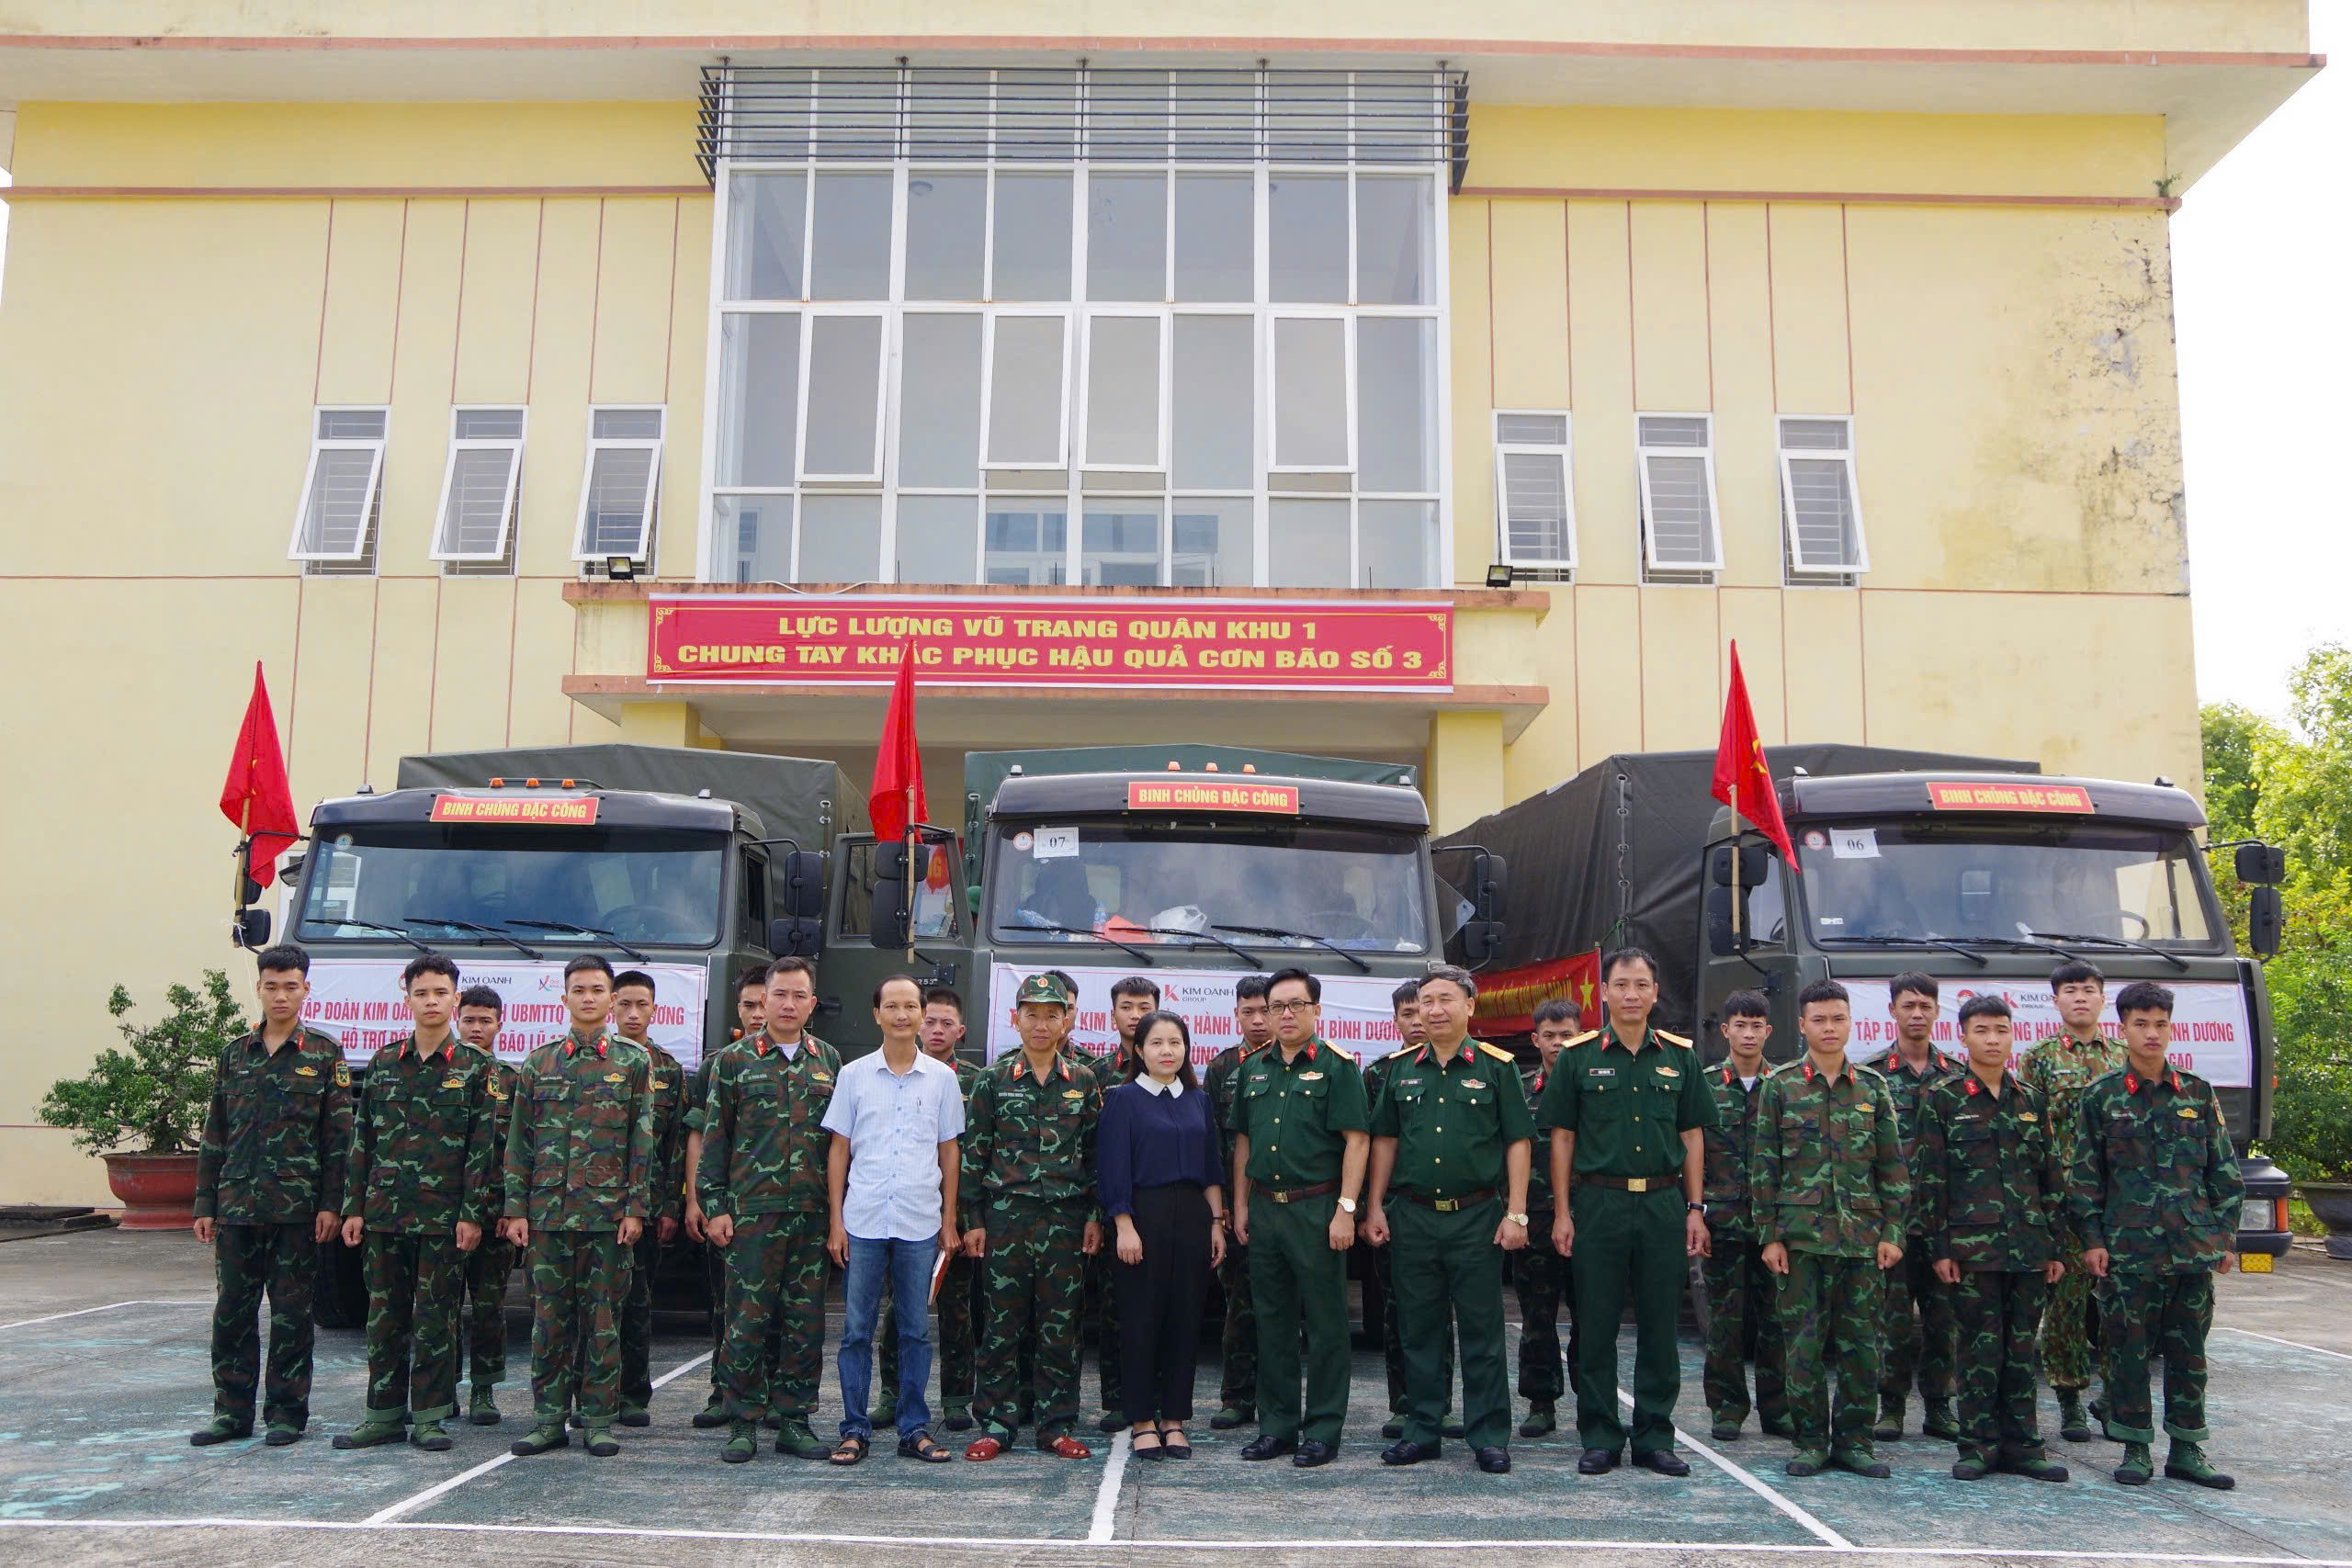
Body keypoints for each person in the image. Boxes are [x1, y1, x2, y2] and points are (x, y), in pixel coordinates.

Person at [1543, 946, 1714, 1475]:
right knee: (1594, 1325)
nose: (1631, 994)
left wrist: (1694, 1207)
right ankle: (1599, 1434)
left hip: (1664, 1204)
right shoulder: (1578, 1056)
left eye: (1641, 984)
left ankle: (1655, 1436)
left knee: (1661, 1326)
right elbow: (1563, 1138)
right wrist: (1563, 1212)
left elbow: (1691, 1135)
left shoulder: (1680, 1057)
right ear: (1605, 992)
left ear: (1655, 992)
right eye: (1621, 984)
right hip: (1598, 1203)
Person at [2069, 981, 2241, 1491]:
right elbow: (2084, 1177)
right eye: (2141, 1024)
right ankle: (2135, 1446)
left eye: (2160, 1024)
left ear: (2171, 1027)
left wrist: (2225, 1238)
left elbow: (2223, 1172)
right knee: (2127, 1351)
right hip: (2128, 1249)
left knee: (2189, 1353)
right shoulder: (2100, 1097)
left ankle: (2187, 1448)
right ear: (2121, 1030)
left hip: (2191, 1249)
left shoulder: (2197, 1092)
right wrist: (2092, 1240)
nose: (2152, 1033)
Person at [1363, 967, 1532, 1473]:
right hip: (1411, 1216)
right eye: (1426, 1001)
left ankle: (1488, 1435)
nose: (1434, 1010)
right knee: (1419, 1330)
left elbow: (1518, 1142)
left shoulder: (1498, 1068)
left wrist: (1516, 1212)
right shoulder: (1400, 1069)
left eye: (1445, 1000)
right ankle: (1422, 1430)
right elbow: (1385, 1142)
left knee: (1482, 1330)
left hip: (1477, 1217)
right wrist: (1374, 1206)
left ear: (1469, 1007)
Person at [334, 954, 498, 1453]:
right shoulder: (384, 1063)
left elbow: (482, 1150)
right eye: (422, 993)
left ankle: (429, 1415)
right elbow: (362, 1141)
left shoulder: (476, 1069)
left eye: (440, 993)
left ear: (455, 999)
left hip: (443, 1219)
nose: (431, 1002)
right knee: (383, 1318)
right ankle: (382, 1413)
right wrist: (354, 1208)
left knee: (434, 1319)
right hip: (384, 1215)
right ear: (406, 997)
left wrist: (472, 1214)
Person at [190, 944, 352, 1448]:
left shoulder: (325, 1056)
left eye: (291, 986)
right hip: (238, 1207)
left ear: (306, 989)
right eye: (271, 985)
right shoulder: (234, 1055)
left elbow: (337, 1140)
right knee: (232, 1312)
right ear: (259, 988)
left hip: (297, 1212)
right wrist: (205, 1204)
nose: (280, 995)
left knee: (290, 1315)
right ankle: (231, 1412)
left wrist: (331, 1204)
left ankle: (286, 1413)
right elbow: (216, 1133)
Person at [499, 955, 656, 1459]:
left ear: (611, 1000)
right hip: (546, 1216)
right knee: (549, 1320)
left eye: (596, 990)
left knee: (604, 1320)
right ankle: (548, 1418)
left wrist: (635, 1208)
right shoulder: (539, 1063)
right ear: (564, 998)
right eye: (578, 990)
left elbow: (641, 1140)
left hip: (607, 1219)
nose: (588, 998)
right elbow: (519, 1141)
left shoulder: (633, 1062)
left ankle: (598, 1419)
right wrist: (516, 1208)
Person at [1752, 979, 1908, 1479]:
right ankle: (1811, 1441)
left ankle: (1855, 1441)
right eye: (1818, 1019)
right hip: (1798, 1240)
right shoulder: (1780, 1085)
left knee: (1862, 1345)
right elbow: (1764, 1166)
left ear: (1850, 1023)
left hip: (1862, 1241)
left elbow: (1892, 1168)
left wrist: (1893, 1232)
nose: (1829, 1028)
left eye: (1838, 1018)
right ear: (1802, 1026)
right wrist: (1769, 1235)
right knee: (1803, 1345)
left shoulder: (1872, 1087)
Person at [1915, 993, 2069, 1483]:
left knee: (2022, 1352)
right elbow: (1931, 1180)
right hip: (1971, 1251)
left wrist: (2056, 1248)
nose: (1992, 1039)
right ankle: (1978, 1445)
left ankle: (2024, 1445)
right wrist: (1939, 1249)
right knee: (1980, 1351)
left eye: (2001, 1030)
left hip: (2028, 1250)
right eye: (1981, 1030)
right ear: (1963, 1037)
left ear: (2012, 1036)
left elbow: (2051, 1180)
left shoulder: (2031, 1101)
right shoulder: (1942, 1099)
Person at [698, 956, 842, 1463]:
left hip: (810, 1213)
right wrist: (713, 1207)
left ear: (812, 1003)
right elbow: (715, 1141)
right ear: (764, 1000)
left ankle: (795, 1419)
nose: (787, 1004)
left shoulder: (829, 1060)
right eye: (778, 995)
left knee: (806, 1321)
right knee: (746, 1321)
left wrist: (839, 1218)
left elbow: (840, 1146)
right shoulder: (733, 1062)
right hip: (751, 1213)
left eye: (799, 995)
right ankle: (743, 1420)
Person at [1228, 967, 1370, 1469]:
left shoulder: (1337, 1067)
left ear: (1315, 1010)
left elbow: (1357, 1139)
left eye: (1296, 1005)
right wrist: (1241, 1205)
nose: (1285, 1014)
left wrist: (1346, 1210)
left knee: (1328, 1324)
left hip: (1318, 1209)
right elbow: (1242, 1139)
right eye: (1276, 1006)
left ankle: (1324, 1429)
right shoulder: (1252, 1068)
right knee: (1273, 1322)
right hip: (1266, 1208)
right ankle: (1278, 1426)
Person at [823, 975, 966, 1465]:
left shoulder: (944, 1080)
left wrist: (949, 1219)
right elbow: (839, 1150)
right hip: (862, 1221)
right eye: (893, 1006)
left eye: (911, 1006)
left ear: (922, 1014)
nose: (903, 1015)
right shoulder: (853, 1075)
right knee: (856, 1331)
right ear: (877, 1014)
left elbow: (950, 1152)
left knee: (914, 1331)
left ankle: (913, 1428)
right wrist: (836, 1221)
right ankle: (854, 1428)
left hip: (919, 1223)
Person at [962, 973, 1105, 1461]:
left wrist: (1094, 1216)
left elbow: (1093, 1157)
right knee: (1002, 1325)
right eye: (1031, 1014)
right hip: (1006, 1219)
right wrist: (973, 1220)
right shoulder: (993, 1080)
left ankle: (1055, 1424)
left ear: (1066, 1021)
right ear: (1014, 1019)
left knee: (1060, 1328)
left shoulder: (1083, 1082)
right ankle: (996, 1423)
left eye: (1051, 1015)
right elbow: (974, 1156)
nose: (1041, 1024)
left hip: (1065, 1221)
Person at [1098, 1010, 1227, 1460]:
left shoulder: (1198, 1099)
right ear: (1139, 1050)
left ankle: (1174, 1419)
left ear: (1187, 1049)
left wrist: (1216, 1223)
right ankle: (1141, 1420)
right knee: (1140, 1320)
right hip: (1141, 1218)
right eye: (1156, 1043)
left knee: (1185, 1320)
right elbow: (1113, 1169)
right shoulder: (1124, 1099)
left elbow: (1212, 1167)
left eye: (1175, 1042)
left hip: (1192, 1219)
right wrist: (1124, 1225)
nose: (1166, 1051)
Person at [2018, 960, 2128, 1442]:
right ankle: (2070, 1402)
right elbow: (2028, 1133)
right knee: (2065, 1306)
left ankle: (2112, 1398)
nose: (2079, 997)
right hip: (2064, 1200)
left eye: (2088, 990)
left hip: (2119, 1202)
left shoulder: (2125, 1057)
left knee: (2123, 1305)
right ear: (2056, 1001)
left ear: (2103, 999)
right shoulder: (2038, 1059)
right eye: (2070, 990)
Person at [878, 987, 984, 1433]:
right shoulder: (888, 1071)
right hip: (904, 1214)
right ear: (918, 1022)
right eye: (930, 1021)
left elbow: (976, 1153)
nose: (936, 1030)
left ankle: (958, 1398)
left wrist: (966, 1218)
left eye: (946, 1023)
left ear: (961, 1030)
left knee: (957, 1310)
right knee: (901, 1310)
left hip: (955, 1218)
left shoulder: (979, 1079)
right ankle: (891, 1394)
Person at [1874, 973, 1963, 1443]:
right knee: (1890, 1319)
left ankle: (1939, 1407)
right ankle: (1890, 1407)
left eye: (1926, 1006)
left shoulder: (1958, 1078)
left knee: (1943, 1319)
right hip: (1892, 1223)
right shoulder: (1872, 1076)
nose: (1917, 1014)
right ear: (1892, 1011)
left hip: (1945, 1223)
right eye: (1908, 1005)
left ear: (1936, 1011)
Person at [686, 964, 774, 1429]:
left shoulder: (823, 1060)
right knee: (728, 1306)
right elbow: (701, 1138)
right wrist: (696, 1200)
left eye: (766, 1002)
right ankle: (724, 1393)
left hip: (786, 1211)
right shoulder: (720, 1064)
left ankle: (778, 1398)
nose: (759, 1013)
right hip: (731, 1208)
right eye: (749, 1005)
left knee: (782, 1312)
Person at [1369, 978, 1455, 1441]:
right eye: (1408, 1014)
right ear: (1397, 1020)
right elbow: (1367, 1145)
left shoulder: (1473, 1065)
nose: (1419, 1021)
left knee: (1443, 1310)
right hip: (1398, 1209)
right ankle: (1404, 1404)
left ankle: (1440, 1404)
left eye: (1423, 1011)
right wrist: (1371, 1208)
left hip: (1450, 1209)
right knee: (1398, 1309)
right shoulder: (1380, 1074)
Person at [1701, 989, 1789, 1441]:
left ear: (1768, 1031)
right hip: (1723, 1223)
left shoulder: (1786, 1084)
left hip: (1775, 1227)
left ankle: (1778, 1409)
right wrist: (1694, 1211)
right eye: (1741, 1025)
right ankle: (1727, 1408)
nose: (1749, 1033)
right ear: (1726, 1030)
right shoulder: (1707, 1083)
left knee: (1777, 1320)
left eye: (1757, 1025)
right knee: (1726, 1322)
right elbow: (1690, 1153)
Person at [607, 970, 687, 1430]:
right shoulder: (591, 1059)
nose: (633, 1014)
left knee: (637, 1303)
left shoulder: (668, 1069)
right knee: (591, 1306)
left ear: (655, 1010)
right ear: (613, 1005)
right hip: (594, 1204)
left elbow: (676, 1147)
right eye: (626, 1005)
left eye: (643, 1006)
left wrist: (670, 1208)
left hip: (649, 1207)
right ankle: (589, 1390)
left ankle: (633, 1394)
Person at [1085, 976, 1162, 1432]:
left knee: (1161, 1308)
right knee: (1115, 1309)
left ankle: (1157, 1396)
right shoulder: (1097, 1074)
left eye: (1144, 1006)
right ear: (1112, 1014)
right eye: (1127, 1007)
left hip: (1163, 1207)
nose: (1135, 1015)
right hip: (1114, 1210)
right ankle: (1117, 1400)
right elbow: (1090, 1148)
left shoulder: (1172, 1067)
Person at [1200, 975, 1273, 1430]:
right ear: (1236, 1015)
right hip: (1235, 1207)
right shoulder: (1223, 1067)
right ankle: (1237, 1396)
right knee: (1239, 1306)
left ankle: (1279, 1400)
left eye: (1265, 1010)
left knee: (1285, 1308)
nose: (1259, 1020)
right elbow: (1209, 1144)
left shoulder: (1304, 1061)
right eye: (1249, 1012)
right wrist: (1219, 1209)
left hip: (1289, 1205)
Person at [1514, 998, 1581, 1438]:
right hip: (1534, 1221)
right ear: (1535, 1039)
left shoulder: (1595, 1085)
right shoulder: (1518, 1088)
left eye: (1568, 1035)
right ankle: (1541, 1404)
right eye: (1550, 1036)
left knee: (1591, 1319)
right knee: (1537, 1319)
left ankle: (1592, 1402)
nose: (1558, 1044)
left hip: (1588, 1220)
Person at [455, 986, 519, 1426]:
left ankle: (484, 1390)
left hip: (494, 1215)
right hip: (441, 1215)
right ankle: (439, 1391)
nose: (477, 1029)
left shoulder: (512, 1081)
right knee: (438, 1310)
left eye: (485, 1021)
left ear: (500, 1024)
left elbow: (520, 1151)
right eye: (470, 1020)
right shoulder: (439, 1072)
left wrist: (513, 1209)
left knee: (489, 1308)